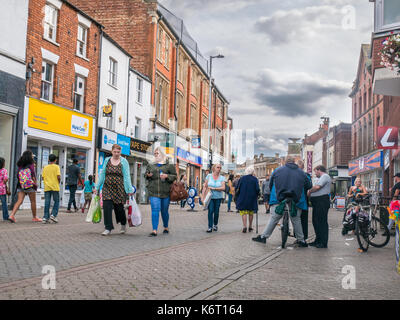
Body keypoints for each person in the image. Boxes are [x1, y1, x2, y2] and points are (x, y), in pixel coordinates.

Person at [252, 157, 310, 247]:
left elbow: (271, 184)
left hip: (280, 198)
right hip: (295, 199)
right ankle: (301, 240)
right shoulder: (301, 172)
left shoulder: (277, 170)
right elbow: (308, 185)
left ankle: (263, 237)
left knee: (274, 218)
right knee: (296, 219)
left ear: (285, 163)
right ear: (294, 162)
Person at [94, 144, 134, 236]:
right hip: (107, 187)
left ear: (120, 152)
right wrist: (97, 187)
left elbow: (127, 176)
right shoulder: (107, 160)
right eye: (115, 152)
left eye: (118, 152)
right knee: (107, 206)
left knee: (119, 208)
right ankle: (108, 228)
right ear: (111, 151)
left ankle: (123, 224)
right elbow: (102, 174)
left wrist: (129, 189)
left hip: (119, 188)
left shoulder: (124, 162)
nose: (116, 154)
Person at [145, 147, 177, 236]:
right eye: (154, 154)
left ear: (162, 154)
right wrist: (148, 175)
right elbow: (146, 175)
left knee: (164, 211)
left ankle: (166, 227)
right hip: (153, 191)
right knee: (155, 210)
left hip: (165, 192)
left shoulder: (169, 165)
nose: (155, 155)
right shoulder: (151, 164)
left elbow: (174, 176)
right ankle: (154, 230)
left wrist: (167, 176)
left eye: (157, 153)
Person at [8, 150, 41, 223]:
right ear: (30, 156)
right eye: (32, 155)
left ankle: (12, 215)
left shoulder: (20, 164)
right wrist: (35, 184)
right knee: (33, 201)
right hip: (30, 185)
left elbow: (18, 175)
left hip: (21, 185)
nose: (33, 156)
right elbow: (33, 175)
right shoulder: (31, 164)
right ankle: (34, 217)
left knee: (19, 201)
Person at [307, 165, 332, 249]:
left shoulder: (325, 176)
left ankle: (323, 242)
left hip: (322, 201)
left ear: (319, 170)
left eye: (315, 171)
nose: (315, 173)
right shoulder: (321, 177)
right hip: (318, 202)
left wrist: (310, 191)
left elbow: (318, 187)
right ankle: (318, 240)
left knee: (321, 222)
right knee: (316, 221)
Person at [235, 166, 259, 233]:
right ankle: (250, 227)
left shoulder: (242, 178)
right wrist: (258, 194)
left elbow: (237, 187)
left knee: (244, 212)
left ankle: (244, 226)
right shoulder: (255, 179)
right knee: (251, 212)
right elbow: (257, 189)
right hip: (252, 198)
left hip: (243, 197)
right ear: (252, 172)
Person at [204, 164, 226, 233]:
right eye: (218, 167)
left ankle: (215, 224)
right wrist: (203, 197)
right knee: (210, 211)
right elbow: (205, 186)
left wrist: (215, 188)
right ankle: (210, 227)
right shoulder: (209, 176)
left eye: (220, 168)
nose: (219, 169)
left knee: (216, 212)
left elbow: (223, 188)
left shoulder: (222, 178)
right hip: (210, 197)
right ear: (214, 168)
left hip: (218, 197)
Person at [42, 154, 61, 224]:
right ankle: (53, 215)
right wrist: (58, 182)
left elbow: (43, 177)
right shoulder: (57, 167)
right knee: (56, 201)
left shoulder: (45, 167)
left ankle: (45, 217)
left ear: (48, 160)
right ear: (55, 160)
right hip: (55, 186)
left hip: (47, 187)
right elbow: (58, 176)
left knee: (47, 202)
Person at [296, 160, 312, 242]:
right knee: (303, 219)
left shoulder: (293, 174)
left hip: (296, 199)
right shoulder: (306, 175)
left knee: (296, 219)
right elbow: (309, 185)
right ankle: (303, 237)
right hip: (303, 199)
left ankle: (299, 237)